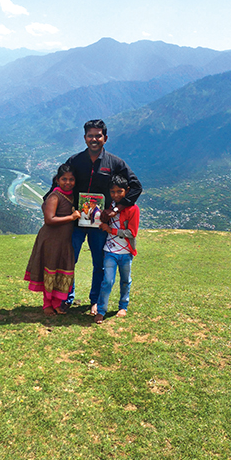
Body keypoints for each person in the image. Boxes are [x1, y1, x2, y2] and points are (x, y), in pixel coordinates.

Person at [45, 119, 142, 315]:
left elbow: (136, 187)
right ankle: (66, 299)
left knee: (99, 263)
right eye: (90, 135)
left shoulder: (115, 163)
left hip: (101, 225)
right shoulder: (75, 161)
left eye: (98, 135)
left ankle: (95, 301)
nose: (94, 139)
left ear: (105, 138)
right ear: (84, 138)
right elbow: (59, 182)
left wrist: (115, 210)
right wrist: (48, 205)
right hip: (76, 222)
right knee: (69, 260)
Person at [25, 164, 81, 316]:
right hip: (51, 240)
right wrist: (72, 217)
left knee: (60, 271)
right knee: (50, 270)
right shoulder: (55, 196)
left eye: (71, 179)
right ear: (57, 180)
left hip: (64, 241)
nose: (67, 182)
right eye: (64, 179)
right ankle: (47, 304)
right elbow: (49, 219)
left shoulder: (70, 195)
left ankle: (57, 303)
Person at [94, 174, 140, 324]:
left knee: (125, 280)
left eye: (119, 191)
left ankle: (123, 306)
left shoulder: (133, 209)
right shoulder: (108, 205)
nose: (116, 195)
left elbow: (131, 233)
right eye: (112, 192)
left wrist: (110, 230)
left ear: (126, 191)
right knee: (107, 281)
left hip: (126, 252)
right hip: (110, 251)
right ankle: (101, 310)